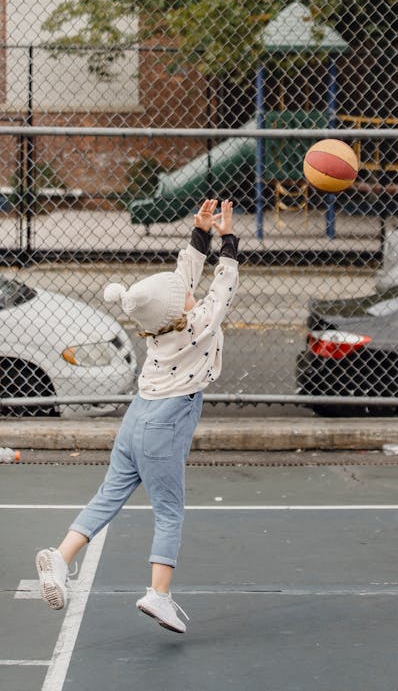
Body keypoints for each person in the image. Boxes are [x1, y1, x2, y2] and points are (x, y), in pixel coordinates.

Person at [34, 198, 239, 634]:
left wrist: (201, 234)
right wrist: (229, 241)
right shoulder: (198, 323)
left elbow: (182, 279)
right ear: (182, 308)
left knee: (109, 495)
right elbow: (222, 288)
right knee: (169, 512)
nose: (191, 290)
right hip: (165, 423)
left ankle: (61, 555)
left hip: (138, 418)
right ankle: (158, 595)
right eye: (186, 294)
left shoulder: (159, 324)